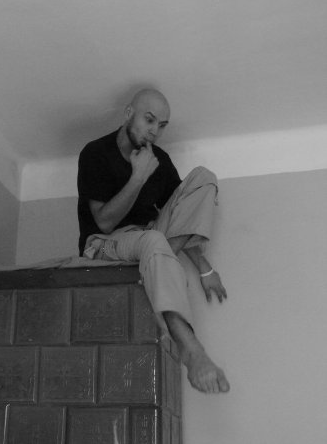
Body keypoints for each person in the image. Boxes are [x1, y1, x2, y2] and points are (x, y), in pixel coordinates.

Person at [77, 88, 230, 394]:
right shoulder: (96, 152)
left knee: (203, 178)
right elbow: (103, 221)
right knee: (153, 239)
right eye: (149, 120)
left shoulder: (160, 159)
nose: (155, 131)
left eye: (161, 125)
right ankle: (192, 351)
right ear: (128, 114)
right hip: (105, 243)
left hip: (150, 237)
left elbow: (182, 215)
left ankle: (158, 263)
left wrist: (205, 268)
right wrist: (138, 176)